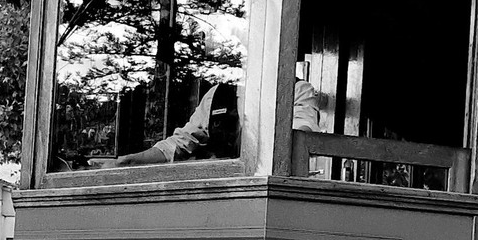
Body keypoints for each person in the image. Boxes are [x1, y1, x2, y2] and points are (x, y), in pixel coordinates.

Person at [93, 79, 320, 167]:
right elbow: (180, 143)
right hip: (225, 189)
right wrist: (132, 160)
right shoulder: (217, 95)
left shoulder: (297, 90)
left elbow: (301, 134)